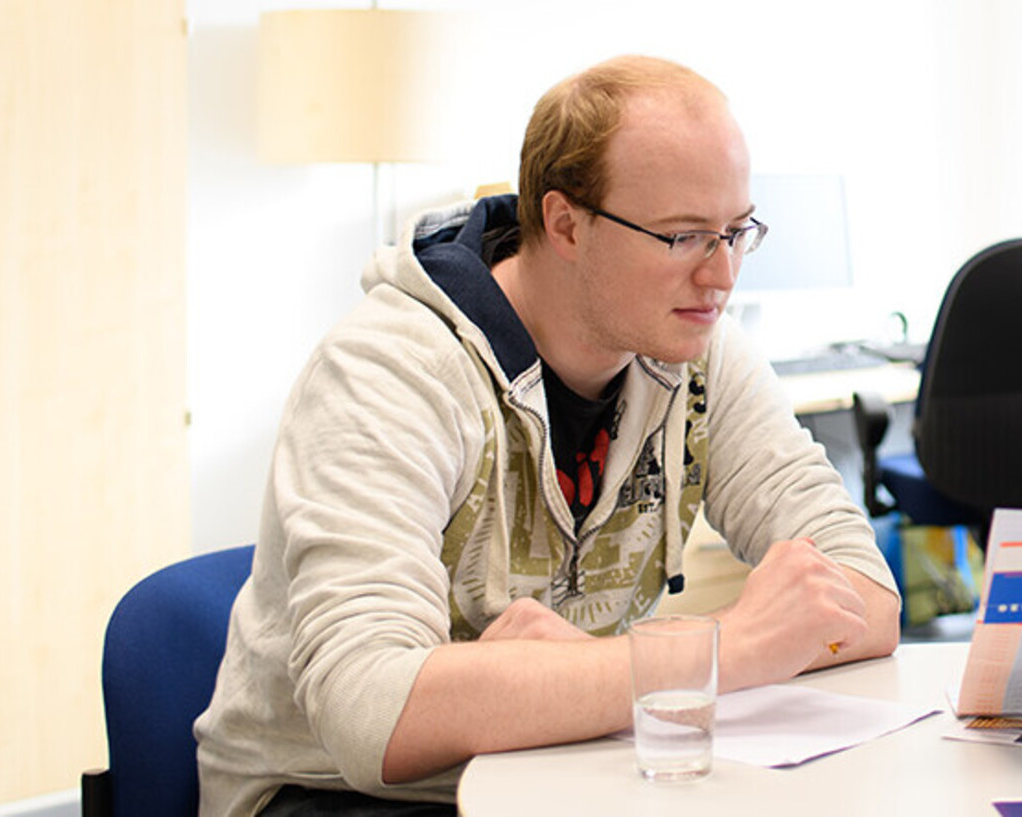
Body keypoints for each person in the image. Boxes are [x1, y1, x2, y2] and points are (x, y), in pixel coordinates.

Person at [195, 56, 900, 815]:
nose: (723, 276)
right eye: (684, 237)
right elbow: (373, 717)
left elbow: (867, 594)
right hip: (333, 793)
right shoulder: (390, 370)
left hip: (565, 764)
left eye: (737, 231)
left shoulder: (700, 357)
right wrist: (724, 648)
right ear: (566, 223)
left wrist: (593, 669)